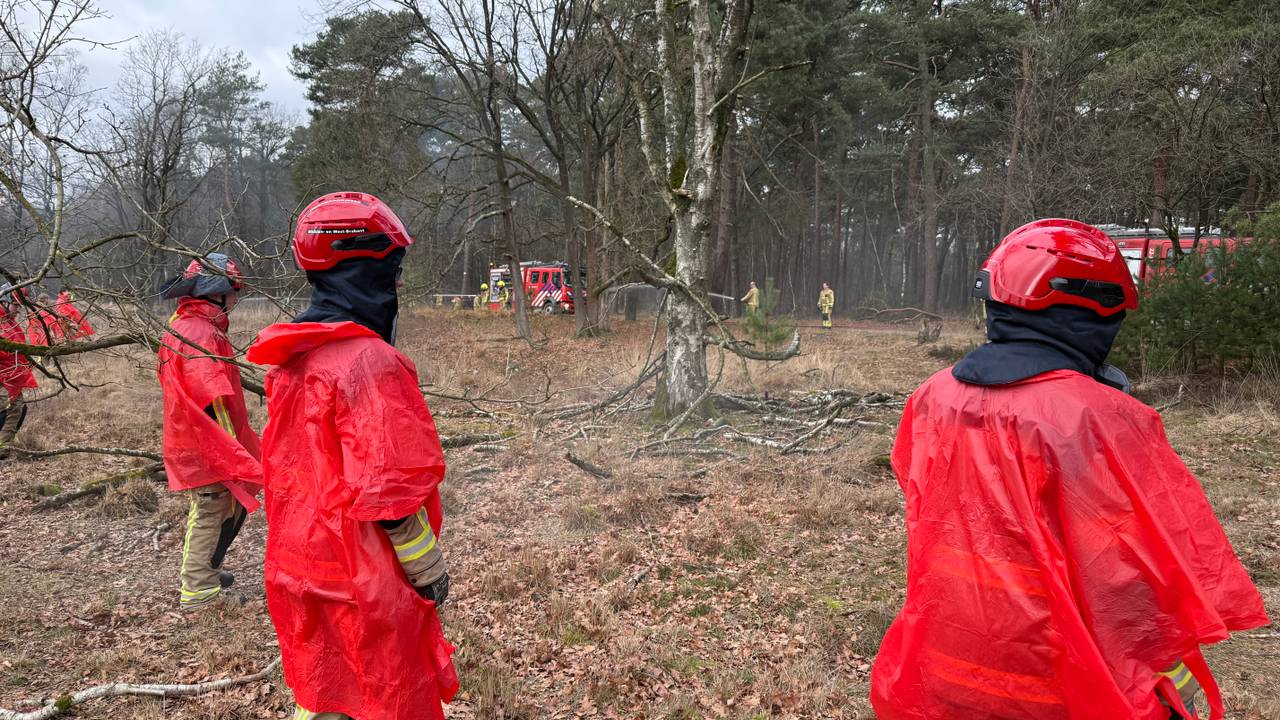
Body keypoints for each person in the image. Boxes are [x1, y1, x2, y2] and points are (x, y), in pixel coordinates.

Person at [870, 219, 1268, 720]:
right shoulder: (1102, 417)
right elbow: (1145, 569)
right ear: (1091, 309)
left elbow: (922, 496)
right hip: (1058, 682)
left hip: (946, 663)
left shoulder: (933, 395)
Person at [246, 191, 458, 720]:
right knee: (383, 695)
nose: (398, 285)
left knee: (324, 691)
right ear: (364, 271)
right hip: (361, 577)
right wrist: (428, 569)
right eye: (392, 271)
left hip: (298, 567)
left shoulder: (292, 360)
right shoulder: (370, 363)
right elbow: (391, 494)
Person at [156, 253, 263, 611]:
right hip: (204, 442)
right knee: (211, 510)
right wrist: (229, 453)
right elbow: (210, 400)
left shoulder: (189, 325)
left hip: (195, 438)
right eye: (233, 291)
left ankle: (207, 571)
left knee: (220, 508)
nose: (235, 299)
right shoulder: (200, 333)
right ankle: (199, 591)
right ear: (216, 292)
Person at [0, 285, 37, 453]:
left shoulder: (10, 322)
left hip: (11, 378)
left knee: (17, 409)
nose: (18, 310)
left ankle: (3, 449)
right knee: (10, 410)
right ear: (4, 302)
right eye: (15, 305)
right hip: (3, 378)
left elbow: (18, 346)